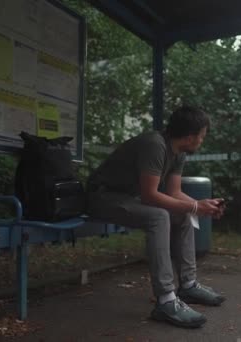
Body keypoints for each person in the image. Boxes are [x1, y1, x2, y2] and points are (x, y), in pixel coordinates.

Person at [87, 105, 226, 328]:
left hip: (128, 198)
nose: (202, 141)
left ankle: (188, 285)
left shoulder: (179, 152)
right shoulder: (155, 145)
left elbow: (174, 193)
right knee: (160, 216)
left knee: (182, 213)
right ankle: (166, 300)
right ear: (190, 137)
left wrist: (201, 206)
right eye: (202, 136)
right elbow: (150, 195)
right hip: (103, 196)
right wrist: (194, 207)